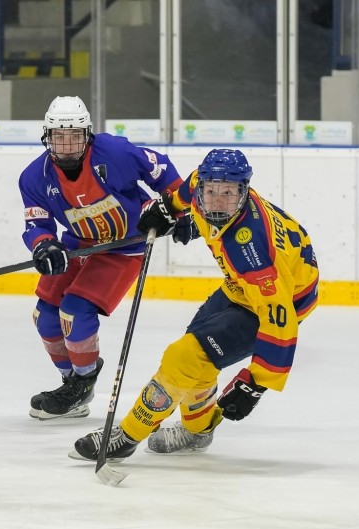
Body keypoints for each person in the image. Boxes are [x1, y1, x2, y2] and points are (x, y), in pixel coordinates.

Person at [70, 148, 319, 461]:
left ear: (244, 191)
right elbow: (182, 195)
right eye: (211, 192)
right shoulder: (200, 184)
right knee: (199, 355)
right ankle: (197, 430)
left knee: (184, 356)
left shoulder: (251, 249)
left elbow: (280, 318)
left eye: (228, 193)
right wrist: (168, 209)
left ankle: (126, 436)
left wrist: (256, 384)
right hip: (240, 288)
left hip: (279, 299)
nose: (217, 201)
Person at [20, 95, 184, 420]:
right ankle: (74, 387)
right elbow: (37, 223)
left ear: (88, 134)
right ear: (47, 137)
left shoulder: (116, 152)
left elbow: (162, 171)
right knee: (45, 317)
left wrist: (180, 210)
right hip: (79, 244)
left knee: (74, 312)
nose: (67, 145)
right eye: (59, 137)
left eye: (74, 136)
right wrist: (44, 245)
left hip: (124, 248)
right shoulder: (34, 177)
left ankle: (83, 380)